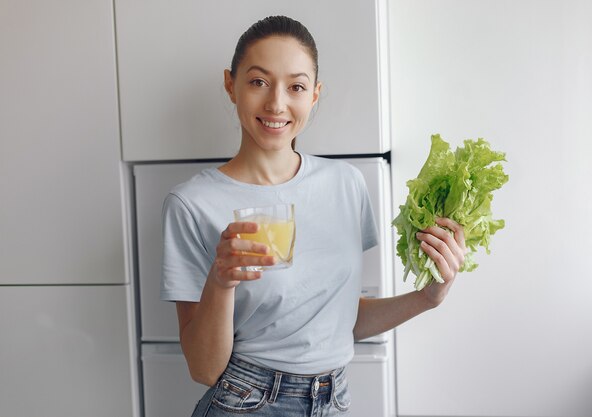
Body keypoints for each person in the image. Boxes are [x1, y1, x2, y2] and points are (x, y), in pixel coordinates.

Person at [161, 15, 467, 417]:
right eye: (258, 82)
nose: (276, 104)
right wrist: (220, 282)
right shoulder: (191, 203)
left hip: (333, 400)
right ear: (230, 85)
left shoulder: (346, 184)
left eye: (296, 87)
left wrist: (428, 297)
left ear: (315, 95)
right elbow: (203, 369)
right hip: (245, 401)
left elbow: (343, 321)